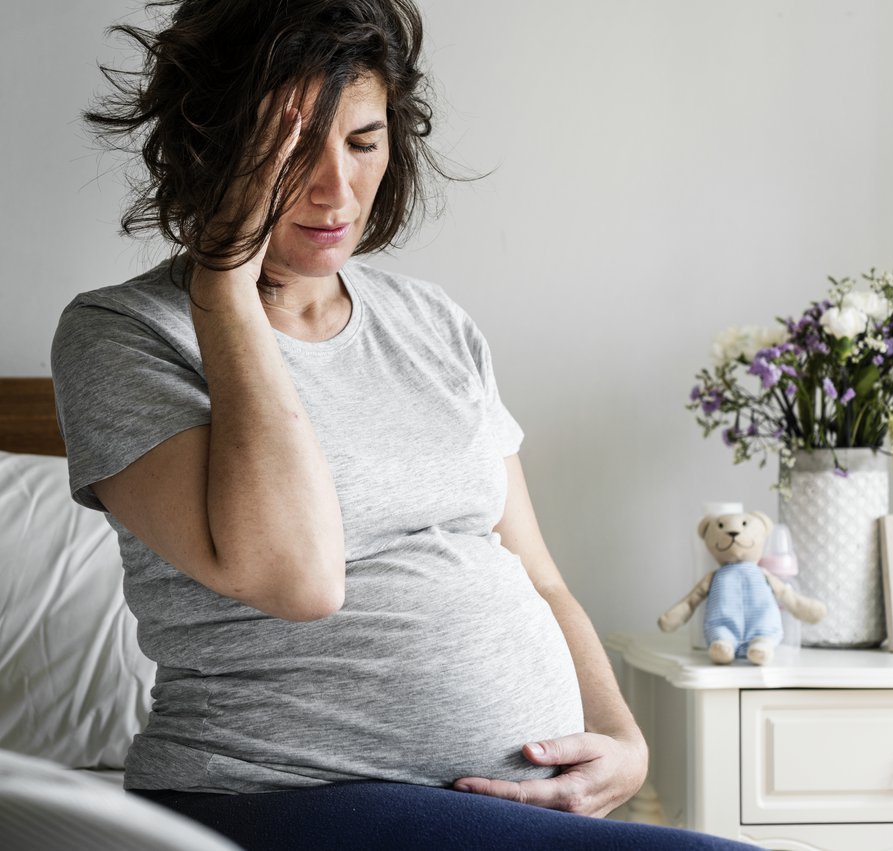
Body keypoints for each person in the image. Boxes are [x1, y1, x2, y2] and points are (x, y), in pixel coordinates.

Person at [51, 1, 753, 848]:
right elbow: (298, 579)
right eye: (290, 150)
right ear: (213, 148)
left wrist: (627, 745)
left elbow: (539, 576)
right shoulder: (122, 336)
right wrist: (224, 284)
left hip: (491, 806)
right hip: (272, 796)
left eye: (362, 141)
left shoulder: (432, 322)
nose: (334, 189)